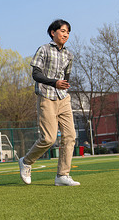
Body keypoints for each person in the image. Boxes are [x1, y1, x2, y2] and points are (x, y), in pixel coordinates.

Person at [18, 19, 80, 187]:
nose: (66, 34)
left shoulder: (69, 55)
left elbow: (66, 77)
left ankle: (62, 175)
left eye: (68, 31)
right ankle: (26, 161)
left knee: (70, 136)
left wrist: (64, 84)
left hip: (63, 98)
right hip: (46, 97)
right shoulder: (44, 50)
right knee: (49, 138)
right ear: (53, 32)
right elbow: (36, 74)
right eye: (62, 31)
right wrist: (54, 83)